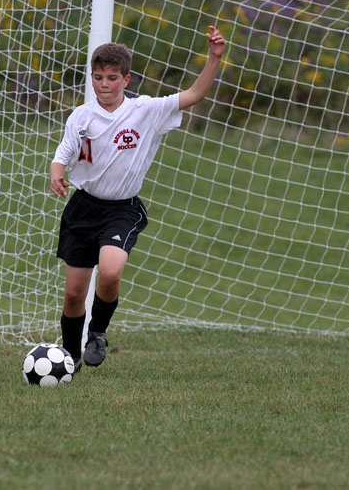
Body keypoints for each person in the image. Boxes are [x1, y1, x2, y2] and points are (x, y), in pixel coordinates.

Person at [50, 26, 227, 371]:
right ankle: (70, 355)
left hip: (121, 210)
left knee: (111, 273)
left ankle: (98, 332)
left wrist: (215, 58)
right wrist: (56, 172)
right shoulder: (81, 117)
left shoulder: (146, 111)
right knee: (73, 293)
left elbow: (193, 94)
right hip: (82, 208)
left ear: (126, 80)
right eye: (98, 77)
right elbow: (64, 152)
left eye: (112, 77)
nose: (104, 84)